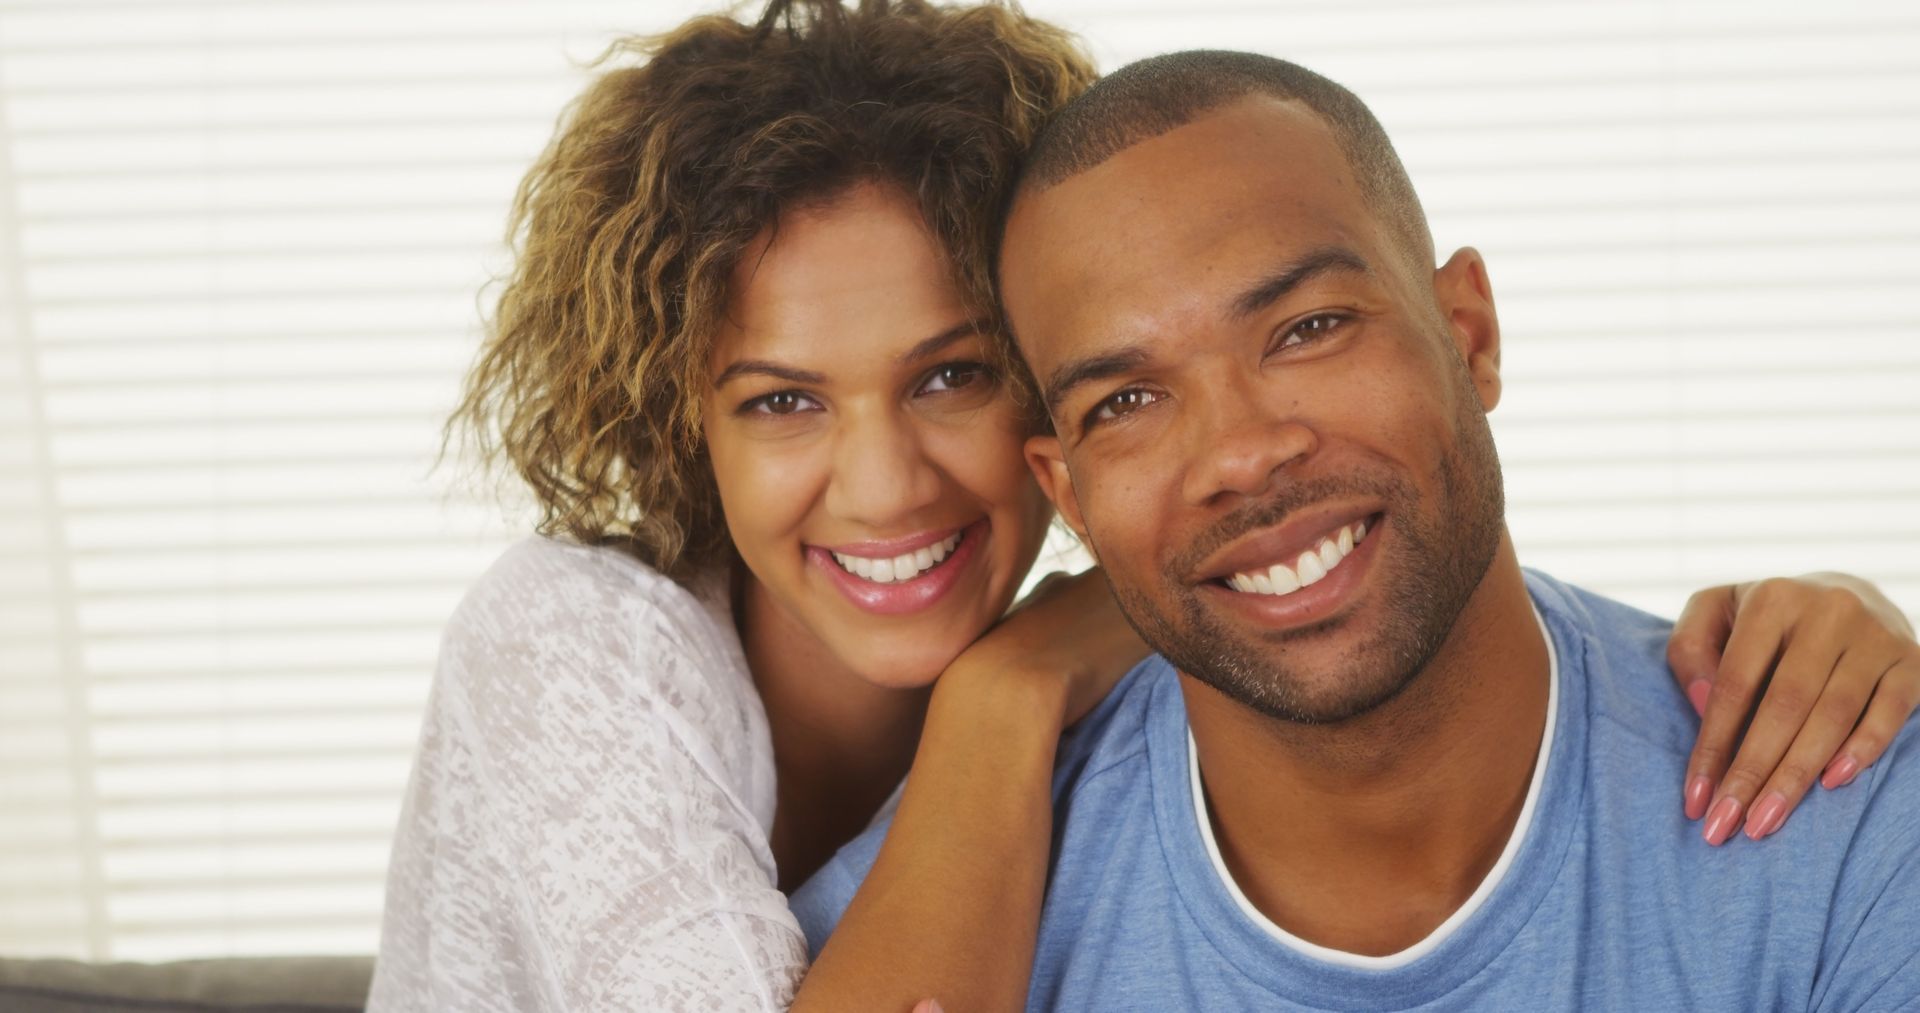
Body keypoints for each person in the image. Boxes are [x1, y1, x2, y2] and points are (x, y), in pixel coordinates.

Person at [368, 4, 1920, 1008]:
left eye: (954, 374)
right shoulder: (584, 658)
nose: (886, 476)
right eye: (781, 399)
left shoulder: (1819, 810)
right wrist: (1008, 685)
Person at [791, 49, 1920, 1010]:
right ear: (1068, 492)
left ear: (1466, 333)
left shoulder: (1849, 813)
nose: (1239, 453)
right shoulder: (917, 921)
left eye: (1309, 327)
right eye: (1125, 402)